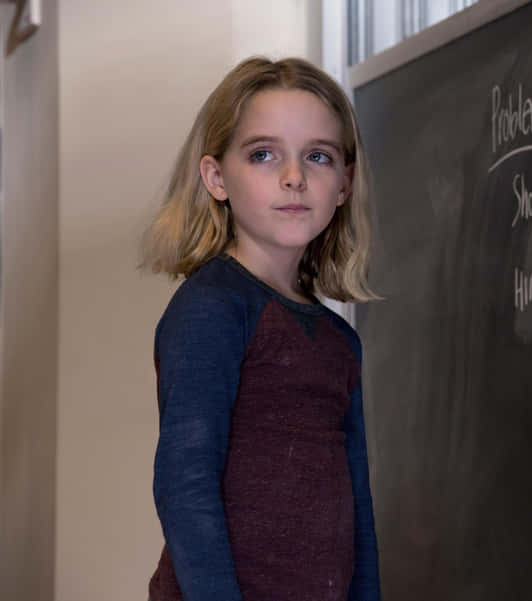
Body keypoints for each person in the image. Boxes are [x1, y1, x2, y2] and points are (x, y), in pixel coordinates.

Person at [141, 56, 381, 601]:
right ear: (216, 177)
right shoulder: (213, 309)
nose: (294, 176)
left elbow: (358, 507)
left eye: (318, 156)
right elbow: (185, 484)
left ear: (344, 183)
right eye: (264, 154)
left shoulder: (340, 343)